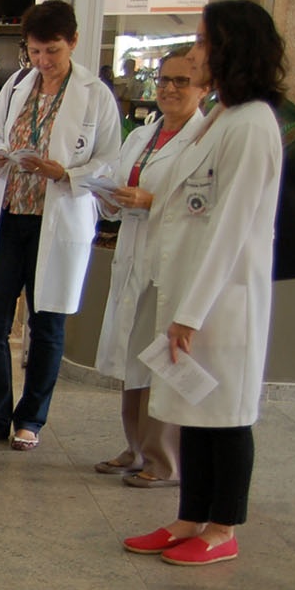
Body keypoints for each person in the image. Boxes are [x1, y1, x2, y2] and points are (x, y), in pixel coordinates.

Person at [123, 1, 286, 567]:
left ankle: (222, 528)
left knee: (227, 415)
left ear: (231, 48)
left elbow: (231, 228)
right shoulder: (220, 116)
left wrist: (191, 311)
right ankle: (189, 518)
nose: (194, 54)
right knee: (193, 409)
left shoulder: (254, 124)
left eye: (202, 42)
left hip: (223, 301)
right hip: (190, 290)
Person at [0, 0, 121, 451]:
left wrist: (67, 174)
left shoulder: (95, 94)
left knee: (46, 321)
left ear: (73, 42)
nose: (43, 62)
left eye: (53, 51)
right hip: (9, 216)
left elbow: (111, 161)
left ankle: (31, 419)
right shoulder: (16, 85)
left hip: (57, 217)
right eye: (35, 52)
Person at [91, 51, 209, 489]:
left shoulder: (205, 140)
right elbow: (123, 188)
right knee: (132, 357)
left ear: (204, 89)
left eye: (182, 81)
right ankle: (135, 447)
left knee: (161, 360)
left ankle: (164, 460)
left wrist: (151, 203)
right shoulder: (143, 134)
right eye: (163, 80)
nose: (170, 89)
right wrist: (110, 198)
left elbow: (204, 209)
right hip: (134, 254)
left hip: (172, 263)